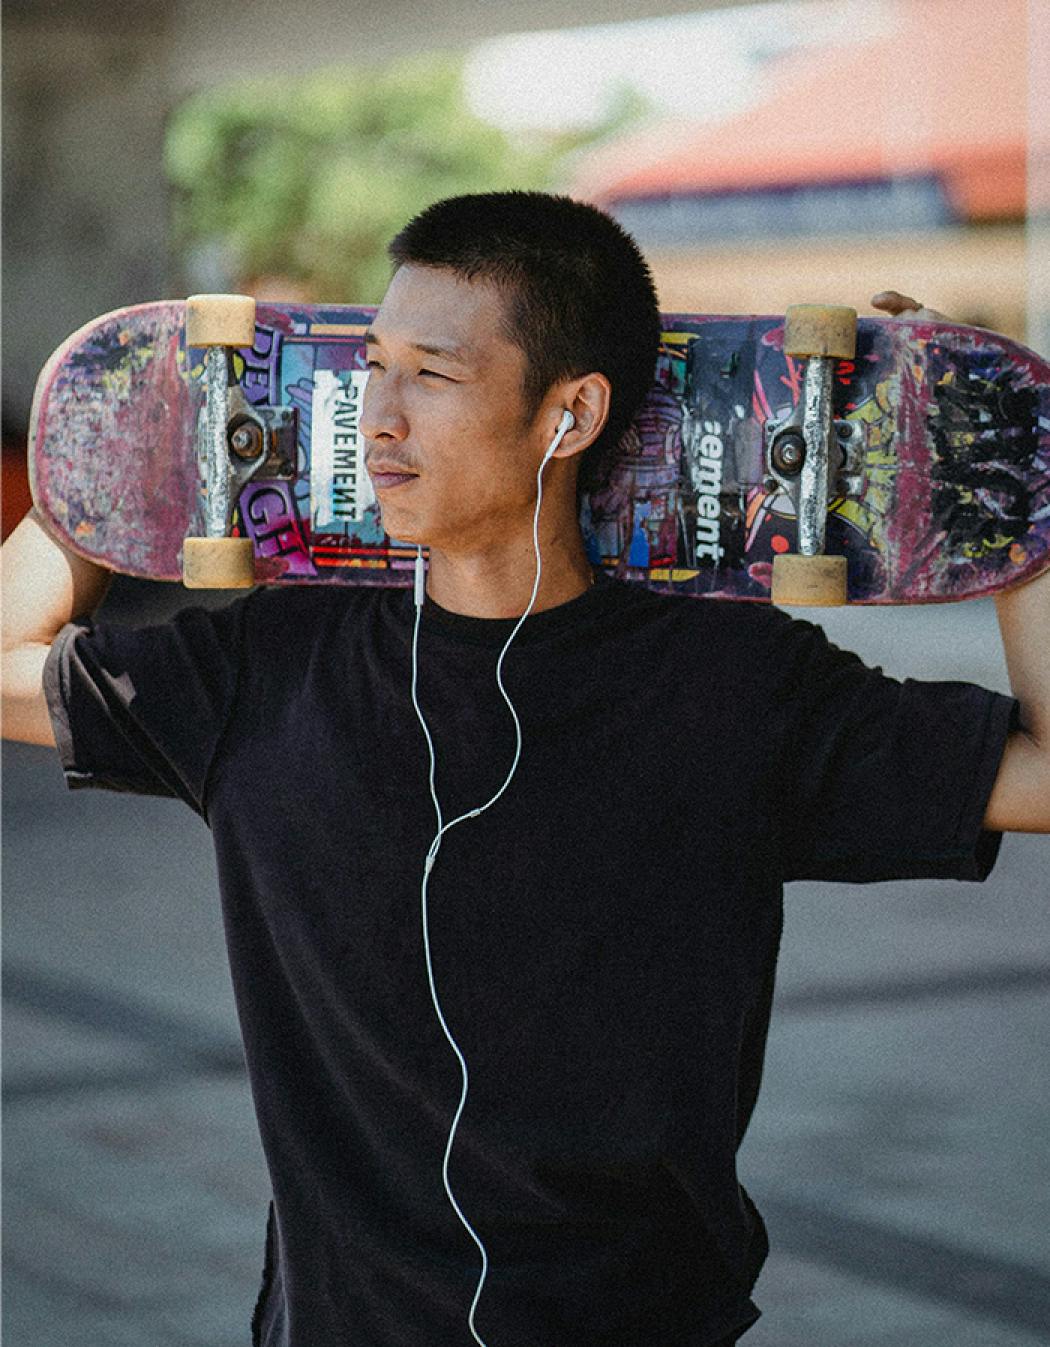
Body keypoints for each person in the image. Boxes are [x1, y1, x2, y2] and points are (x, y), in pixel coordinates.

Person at [2, 191, 1048, 1347]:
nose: (374, 416)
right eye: (374, 366)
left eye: (431, 378)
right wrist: (111, 466)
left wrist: (999, 490)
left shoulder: (730, 686)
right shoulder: (275, 665)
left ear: (571, 412)